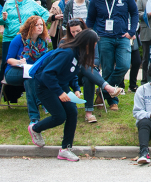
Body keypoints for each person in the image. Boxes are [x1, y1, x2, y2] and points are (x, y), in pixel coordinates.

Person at [28, 29, 99, 162]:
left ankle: (65, 149)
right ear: (86, 43)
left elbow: (71, 73)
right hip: (45, 85)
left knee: (72, 112)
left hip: (60, 84)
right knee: (60, 116)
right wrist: (60, 93)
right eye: (94, 44)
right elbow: (47, 74)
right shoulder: (67, 53)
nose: (95, 47)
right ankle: (35, 129)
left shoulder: (79, 54)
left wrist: (76, 88)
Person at [86, 0, 138, 110]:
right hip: (104, 38)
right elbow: (90, 20)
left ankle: (102, 92)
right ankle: (113, 101)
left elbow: (134, 13)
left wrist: (131, 32)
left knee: (124, 65)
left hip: (122, 37)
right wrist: (89, 37)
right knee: (107, 69)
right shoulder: (95, 0)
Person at [65, 20, 122, 123]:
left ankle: (89, 113)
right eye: (72, 32)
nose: (75, 34)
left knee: (88, 76)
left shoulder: (89, 40)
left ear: (83, 30)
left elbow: (96, 59)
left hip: (86, 73)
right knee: (83, 65)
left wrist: (87, 63)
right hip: (70, 75)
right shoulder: (65, 42)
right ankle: (108, 88)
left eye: (78, 31)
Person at [0, 0, 50, 96]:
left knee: (31, 74)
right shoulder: (8, 3)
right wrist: (4, 19)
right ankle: (4, 92)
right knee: (6, 63)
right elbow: (0, 22)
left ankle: (37, 101)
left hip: (30, 37)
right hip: (11, 37)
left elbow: (45, 13)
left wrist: (40, 24)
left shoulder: (31, 3)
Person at [4, 16, 49, 125]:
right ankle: (42, 102)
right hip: (14, 72)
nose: (40, 27)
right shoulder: (19, 39)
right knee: (31, 75)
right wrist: (19, 62)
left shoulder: (43, 41)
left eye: (41, 25)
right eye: (37, 25)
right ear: (30, 26)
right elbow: (9, 59)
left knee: (30, 79)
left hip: (32, 74)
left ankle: (34, 118)